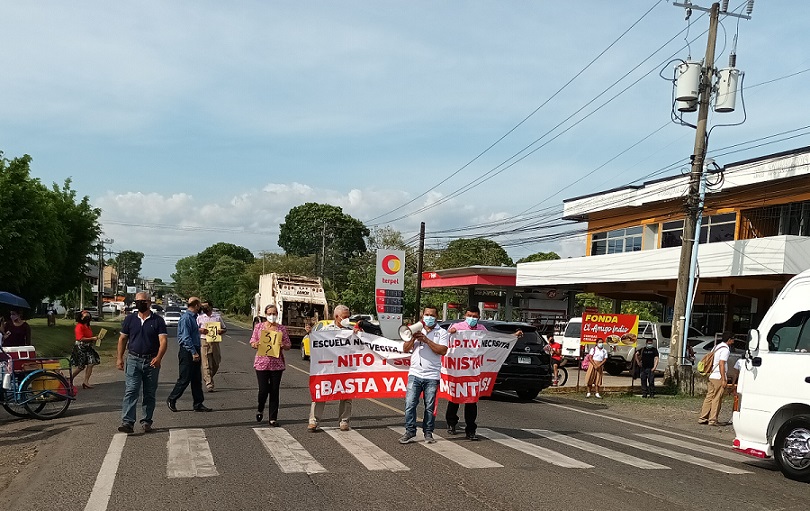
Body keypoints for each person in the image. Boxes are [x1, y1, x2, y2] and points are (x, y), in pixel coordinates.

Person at [116, 292, 168, 433]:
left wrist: (158, 358)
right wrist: (119, 358)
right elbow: (122, 339)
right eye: (137, 301)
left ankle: (146, 421)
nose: (140, 303)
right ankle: (127, 422)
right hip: (133, 359)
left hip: (151, 361)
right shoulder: (130, 319)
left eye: (143, 301)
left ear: (149, 302)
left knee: (149, 393)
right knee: (131, 390)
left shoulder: (157, 321)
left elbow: (163, 341)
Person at [399, 306, 449, 445]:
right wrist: (413, 338)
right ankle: (410, 431)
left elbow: (443, 350)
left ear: (437, 316)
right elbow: (405, 348)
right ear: (422, 316)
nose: (429, 317)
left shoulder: (442, 333)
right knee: (410, 404)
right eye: (426, 314)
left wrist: (426, 340)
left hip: (432, 375)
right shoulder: (416, 329)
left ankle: (428, 432)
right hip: (415, 374)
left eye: (431, 315)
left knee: (429, 406)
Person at [308, 304, 353, 432]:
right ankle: (314, 421)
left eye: (348, 317)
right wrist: (310, 334)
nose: (347, 319)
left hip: (345, 368)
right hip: (328, 368)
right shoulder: (325, 330)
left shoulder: (351, 330)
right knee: (321, 392)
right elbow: (315, 344)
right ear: (337, 316)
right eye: (345, 317)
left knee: (347, 394)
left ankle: (344, 421)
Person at [445, 305, 487, 441]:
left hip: (473, 371)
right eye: (470, 316)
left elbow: (493, 341)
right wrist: (450, 332)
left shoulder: (482, 330)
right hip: (458, 369)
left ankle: (471, 430)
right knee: (455, 398)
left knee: (471, 401)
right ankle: (451, 423)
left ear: (479, 317)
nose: (472, 318)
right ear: (465, 315)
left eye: (475, 316)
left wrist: (513, 336)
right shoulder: (457, 327)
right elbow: (446, 341)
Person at [166, 297, 212, 413]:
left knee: (196, 379)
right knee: (185, 378)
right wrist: (194, 352)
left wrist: (199, 331)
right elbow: (186, 338)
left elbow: (191, 333)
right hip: (188, 351)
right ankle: (172, 398)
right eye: (200, 304)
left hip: (195, 348)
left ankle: (198, 403)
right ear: (196, 305)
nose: (201, 307)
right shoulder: (186, 318)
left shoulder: (193, 318)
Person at [250, 304, 291, 426]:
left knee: (274, 390)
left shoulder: (281, 329)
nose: (272, 316)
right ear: (265, 314)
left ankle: (273, 418)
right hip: (262, 363)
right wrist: (256, 344)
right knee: (263, 390)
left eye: (274, 313)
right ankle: (260, 407)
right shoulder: (259, 327)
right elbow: (252, 341)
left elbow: (288, 344)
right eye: (269, 314)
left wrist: (283, 345)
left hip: (277, 364)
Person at [698, 333, 734, 426]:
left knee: (709, 397)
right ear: (729, 339)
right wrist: (723, 379)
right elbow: (722, 363)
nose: (734, 341)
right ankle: (713, 419)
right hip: (718, 376)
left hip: (712, 375)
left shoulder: (716, 347)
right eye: (733, 339)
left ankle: (703, 418)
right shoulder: (725, 350)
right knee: (717, 398)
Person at [197, 300, 227, 392]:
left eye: (206, 306)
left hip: (215, 341)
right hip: (204, 340)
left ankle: (207, 376)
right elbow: (195, 328)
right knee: (205, 363)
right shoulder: (200, 317)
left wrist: (221, 331)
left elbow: (224, 328)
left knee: (216, 362)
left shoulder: (217, 317)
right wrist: (200, 330)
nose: (204, 308)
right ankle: (209, 383)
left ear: (210, 307)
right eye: (202, 307)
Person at [71, 310, 100, 389]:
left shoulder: (87, 326)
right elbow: (80, 338)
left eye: (88, 316)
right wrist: (92, 338)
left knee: (92, 362)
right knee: (81, 366)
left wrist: (94, 339)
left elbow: (88, 336)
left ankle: (86, 381)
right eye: (85, 316)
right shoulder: (79, 326)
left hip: (88, 347)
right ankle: (70, 379)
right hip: (80, 347)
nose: (87, 317)